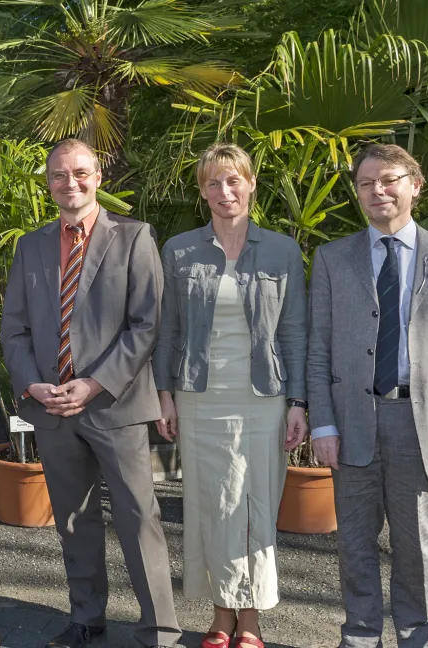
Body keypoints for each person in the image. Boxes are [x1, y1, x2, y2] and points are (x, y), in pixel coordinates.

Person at [307, 143, 428, 647]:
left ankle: (418, 639)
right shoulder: (331, 259)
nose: (378, 191)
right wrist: (322, 423)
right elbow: (318, 349)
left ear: (415, 184)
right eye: (366, 183)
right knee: (354, 545)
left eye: (388, 180)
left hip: (423, 425)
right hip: (351, 424)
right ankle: (360, 637)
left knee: (418, 548)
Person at [0, 139, 181, 648]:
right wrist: (32, 383)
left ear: (98, 177)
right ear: (49, 182)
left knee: (139, 518)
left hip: (114, 405)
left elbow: (147, 325)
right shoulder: (32, 245)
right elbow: (13, 329)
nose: (70, 183)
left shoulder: (134, 237)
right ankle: (87, 617)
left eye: (79, 173)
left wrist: (96, 381)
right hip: (52, 408)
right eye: (59, 175)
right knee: (74, 520)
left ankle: (160, 632)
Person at [151, 144, 308, 648]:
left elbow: (295, 332)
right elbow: (166, 329)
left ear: (251, 183)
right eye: (214, 183)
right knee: (212, 507)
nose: (225, 192)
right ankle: (221, 615)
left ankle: (253, 620)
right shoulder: (179, 250)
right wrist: (164, 394)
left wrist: (300, 403)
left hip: (264, 397)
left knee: (256, 504)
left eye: (234, 181)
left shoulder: (282, 250)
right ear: (202, 191)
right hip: (199, 396)